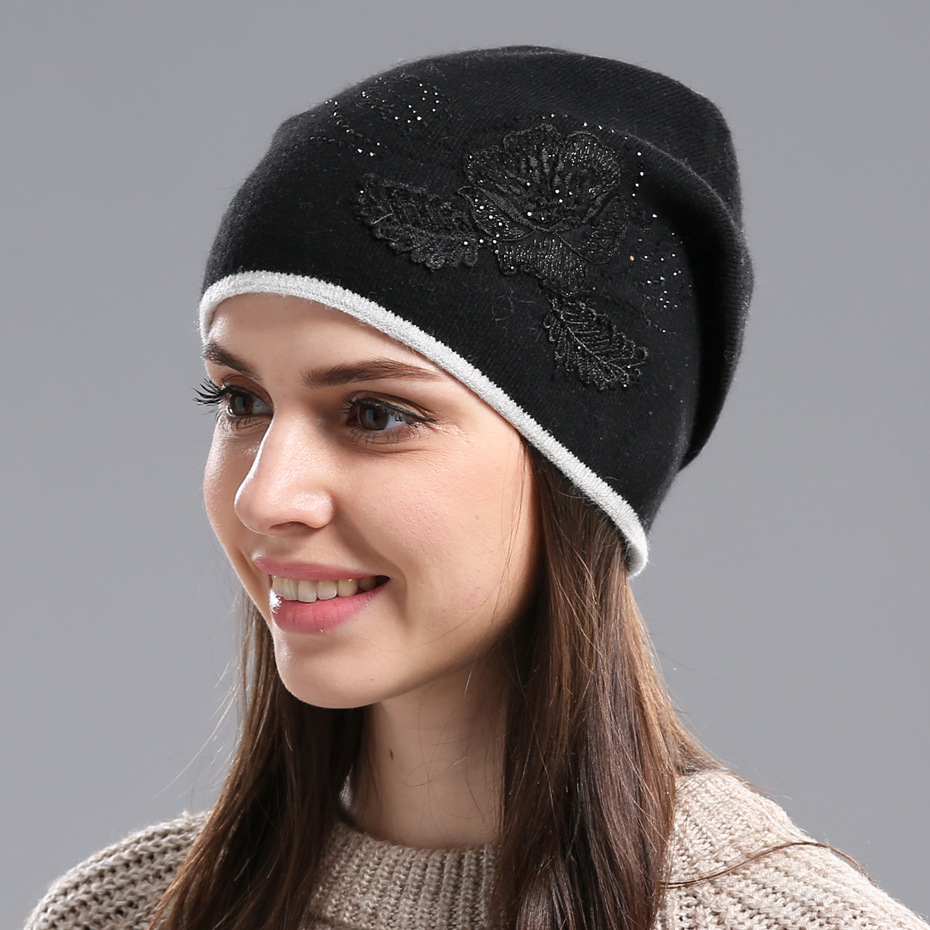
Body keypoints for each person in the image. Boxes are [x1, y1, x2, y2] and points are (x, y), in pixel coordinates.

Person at [25, 46, 927, 930]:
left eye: (374, 414)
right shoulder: (122, 917)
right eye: (241, 401)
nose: (265, 499)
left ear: (578, 473)